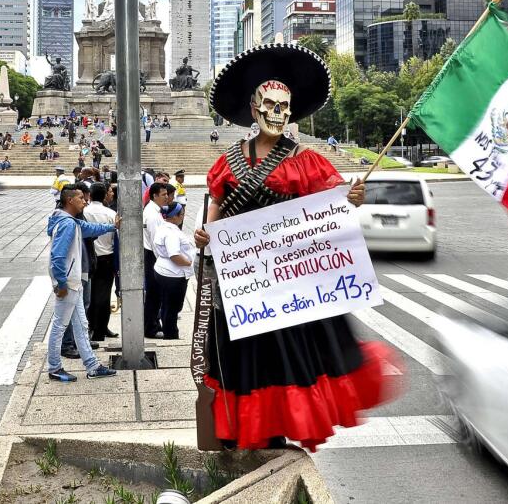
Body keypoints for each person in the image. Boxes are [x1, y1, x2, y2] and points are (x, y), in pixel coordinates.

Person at [192, 42, 394, 452]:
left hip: (286, 287)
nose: (277, 113)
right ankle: (246, 432)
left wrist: (349, 198)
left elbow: (330, 205)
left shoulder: (306, 159)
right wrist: (205, 236)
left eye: (284, 106)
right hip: (239, 284)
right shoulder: (227, 161)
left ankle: (278, 431)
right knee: (242, 360)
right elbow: (215, 207)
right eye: (269, 104)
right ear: (253, 108)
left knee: (283, 358)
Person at [45, 185, 119, 382]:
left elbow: (89, 229)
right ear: (70, 200)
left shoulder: (69, 221)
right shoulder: (68, 224)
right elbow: (58, 257)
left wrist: (112, 226)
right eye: (80, 198)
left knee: (81, 324)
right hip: (68, 284)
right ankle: (54, 367)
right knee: (60, 325)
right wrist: (61, 283)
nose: (84, 201)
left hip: (72, 283)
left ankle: (92, 366)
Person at [152, 202, 194, 339]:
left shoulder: (163, 227)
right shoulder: (171, 233)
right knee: (173, 307)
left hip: (163, 271)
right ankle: (171, 334)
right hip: (174, 275)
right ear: (174, 216)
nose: (183, 216)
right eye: (182, 214)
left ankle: (168, 331)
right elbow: (174, 255)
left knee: (166, 305)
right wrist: (189, 262)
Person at [84, 182, 118, 341]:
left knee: (90, 294)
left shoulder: (84, 211)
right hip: (106, 257)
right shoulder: (111, 213)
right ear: (104, 195)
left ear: (89, 195)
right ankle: (99, 329)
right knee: (103, 295)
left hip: (90, 256)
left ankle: (97, 327)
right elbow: (115, 238)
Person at [142, 181, 175, 338]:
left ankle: (153, 324)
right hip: (153, 257)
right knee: (154, 295)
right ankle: (151, 328)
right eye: (163, 195)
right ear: (154, 196)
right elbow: (156, 242)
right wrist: (163, 263)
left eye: (167, 194)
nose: (166, 197)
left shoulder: (154, 211)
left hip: (153, 256)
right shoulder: (153, 215)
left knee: (155, 294)